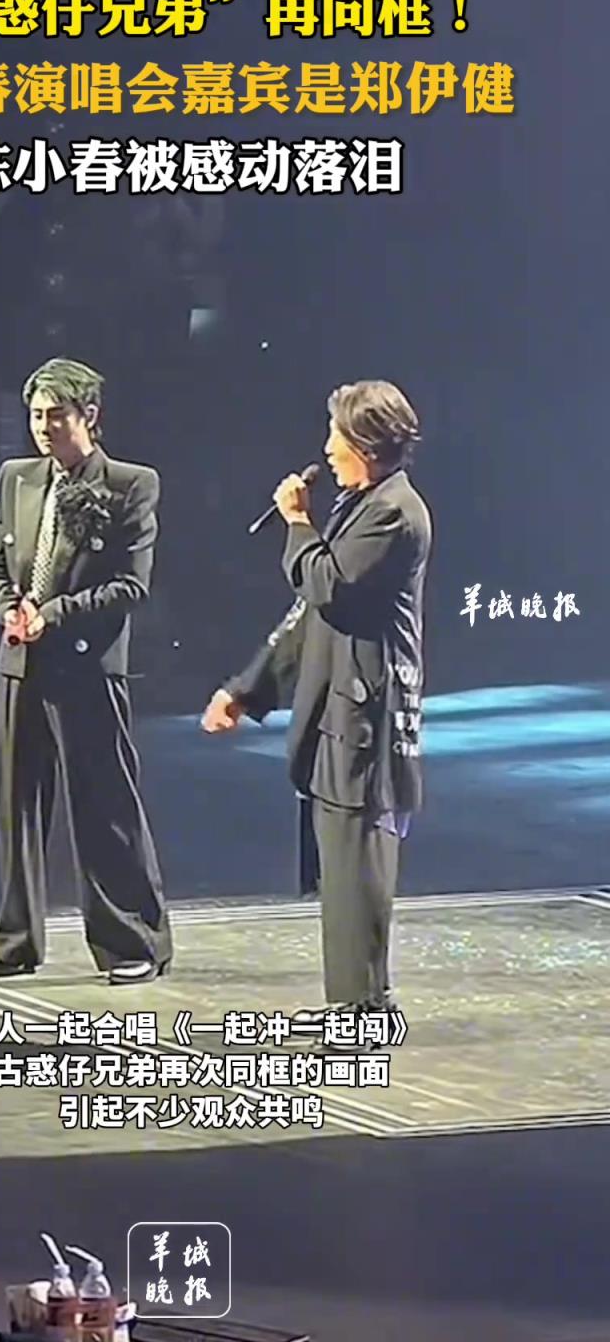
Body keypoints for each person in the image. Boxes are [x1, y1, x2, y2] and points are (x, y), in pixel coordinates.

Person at [202, 380, 431, 1016]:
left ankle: (365, 1009)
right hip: (338, 711)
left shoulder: (394, 512)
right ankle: (349, 1004)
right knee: (339, 870)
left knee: (359, 868)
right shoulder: (362, 506)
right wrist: (246, 689)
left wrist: (297, 523)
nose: (327, 451)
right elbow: (308, 616)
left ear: (368, 443)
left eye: (338, 438)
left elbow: (327, 585)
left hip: (368, 716)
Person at [0, 357, 172, 983]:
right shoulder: (15, 479)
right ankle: (17, 942)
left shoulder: (130, 484)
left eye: (56, 415)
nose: (44, 427)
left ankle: (132, 942)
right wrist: (11, 610)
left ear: (89, 414)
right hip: (20, 663)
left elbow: (130, 586)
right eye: (36, 415)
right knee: (17, 808)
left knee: (103, 806)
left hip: (86, 668)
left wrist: (54, 614)